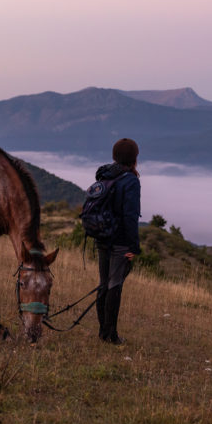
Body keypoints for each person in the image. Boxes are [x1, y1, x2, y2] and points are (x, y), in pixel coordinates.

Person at [93, 138, 141, 345]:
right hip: (120, 241)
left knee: (104, 284)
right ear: (133, 158)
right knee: (115, 285)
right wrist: (134, 247)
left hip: (102, 236)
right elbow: (130, 217)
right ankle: (110, 334)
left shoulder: (105, 175)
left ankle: (103, 331)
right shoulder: (130, 180)